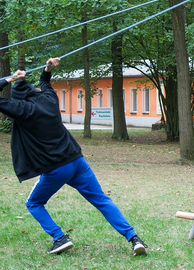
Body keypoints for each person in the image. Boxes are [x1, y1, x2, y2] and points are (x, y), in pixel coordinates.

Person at [0, 58, 147, 255]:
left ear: (18, 99)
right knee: (101, 199)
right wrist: (48, 68)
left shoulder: (22, 110)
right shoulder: (50, 100)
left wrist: (10, 78)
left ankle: (59, 237)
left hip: (56, 168)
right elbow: (45, 84)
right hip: (77, 161)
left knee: (34, 203)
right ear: (34, 92)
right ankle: (134, 238)